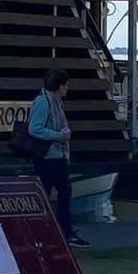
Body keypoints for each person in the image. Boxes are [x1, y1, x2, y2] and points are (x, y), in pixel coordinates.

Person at [26, 68, 89, 248]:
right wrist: (59, 136)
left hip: (59, 156)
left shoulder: (57, 102)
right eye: (66, 85)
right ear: (59, 86)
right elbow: (34, 128)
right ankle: (40, 232)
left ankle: (65, 231)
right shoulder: (43, 102)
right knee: (45, 195)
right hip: (48, 158)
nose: (67, 89)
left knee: (65, 194)